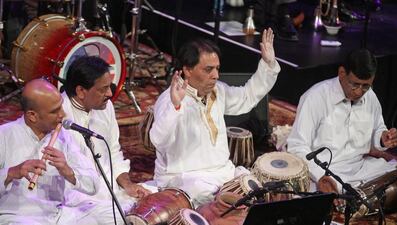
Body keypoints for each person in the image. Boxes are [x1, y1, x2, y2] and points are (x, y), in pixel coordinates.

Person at [149, 28, 281, 208]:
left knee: (256, 189)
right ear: (187, 70)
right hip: (185, 178)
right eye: (208, 69)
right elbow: (158, 140)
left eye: (217, 68)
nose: (216, 75)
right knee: (209, 200)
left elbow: (247, 97)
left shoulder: (218, 91)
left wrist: (268, 63)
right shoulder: (170, 100)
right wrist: (176, 107)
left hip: (222, 172)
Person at [287, 49, 397, 200]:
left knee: (395, 176)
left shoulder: (370, 96)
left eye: (366, 86)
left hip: (360, 168)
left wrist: (383, 138)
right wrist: (321, 177)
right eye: (355, 85)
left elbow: (378, 129)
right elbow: (297, 146)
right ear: (342, 73)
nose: (360, 92)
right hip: (326, 172)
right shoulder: (316, 97)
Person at [61, 56, 152, 224]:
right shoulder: (58, 114)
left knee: (158, 200)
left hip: (110, 190)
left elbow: (113, 151)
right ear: (81, 91)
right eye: (103, 89)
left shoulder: (105, 107)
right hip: (78, 199)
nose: (110, 94)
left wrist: (128, 185)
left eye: (109, 87)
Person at [0, 79, 98, 224]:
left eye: (61, 107)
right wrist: (12, 173)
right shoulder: (4, 135)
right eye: (55, 111)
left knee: (111, 215)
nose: (63, 115)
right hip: (18, 217)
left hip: (58, 214)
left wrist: (68, 171)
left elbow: (93, 185)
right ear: (32, 115)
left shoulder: (63, 135)